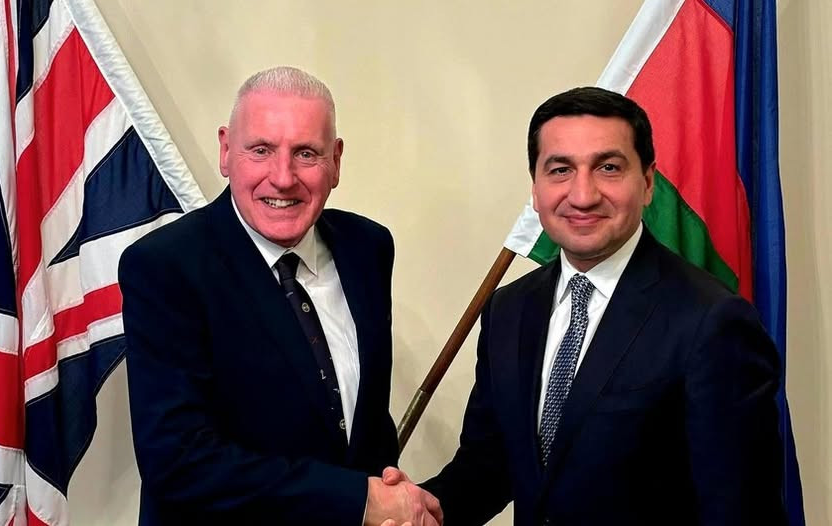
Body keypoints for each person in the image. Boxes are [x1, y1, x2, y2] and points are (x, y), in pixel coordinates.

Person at [385, 86, 786, 525]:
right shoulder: (508, 309)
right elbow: (490, 462)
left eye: (608, 168)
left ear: (647, 182)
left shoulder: (712, 320)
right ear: (535, 188)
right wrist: (426, 509)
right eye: (560, 170)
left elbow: (741, 509)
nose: (582, 195)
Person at [119, 66, 441, 526]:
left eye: (306, 153)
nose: (283, 177)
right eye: (261, 150)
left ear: (336, 161)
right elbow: (179, 462)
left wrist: (392, 495)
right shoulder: (165, 267)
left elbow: (361, 424)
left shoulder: (367, 248)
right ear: (226, 150)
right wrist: (359, 501)